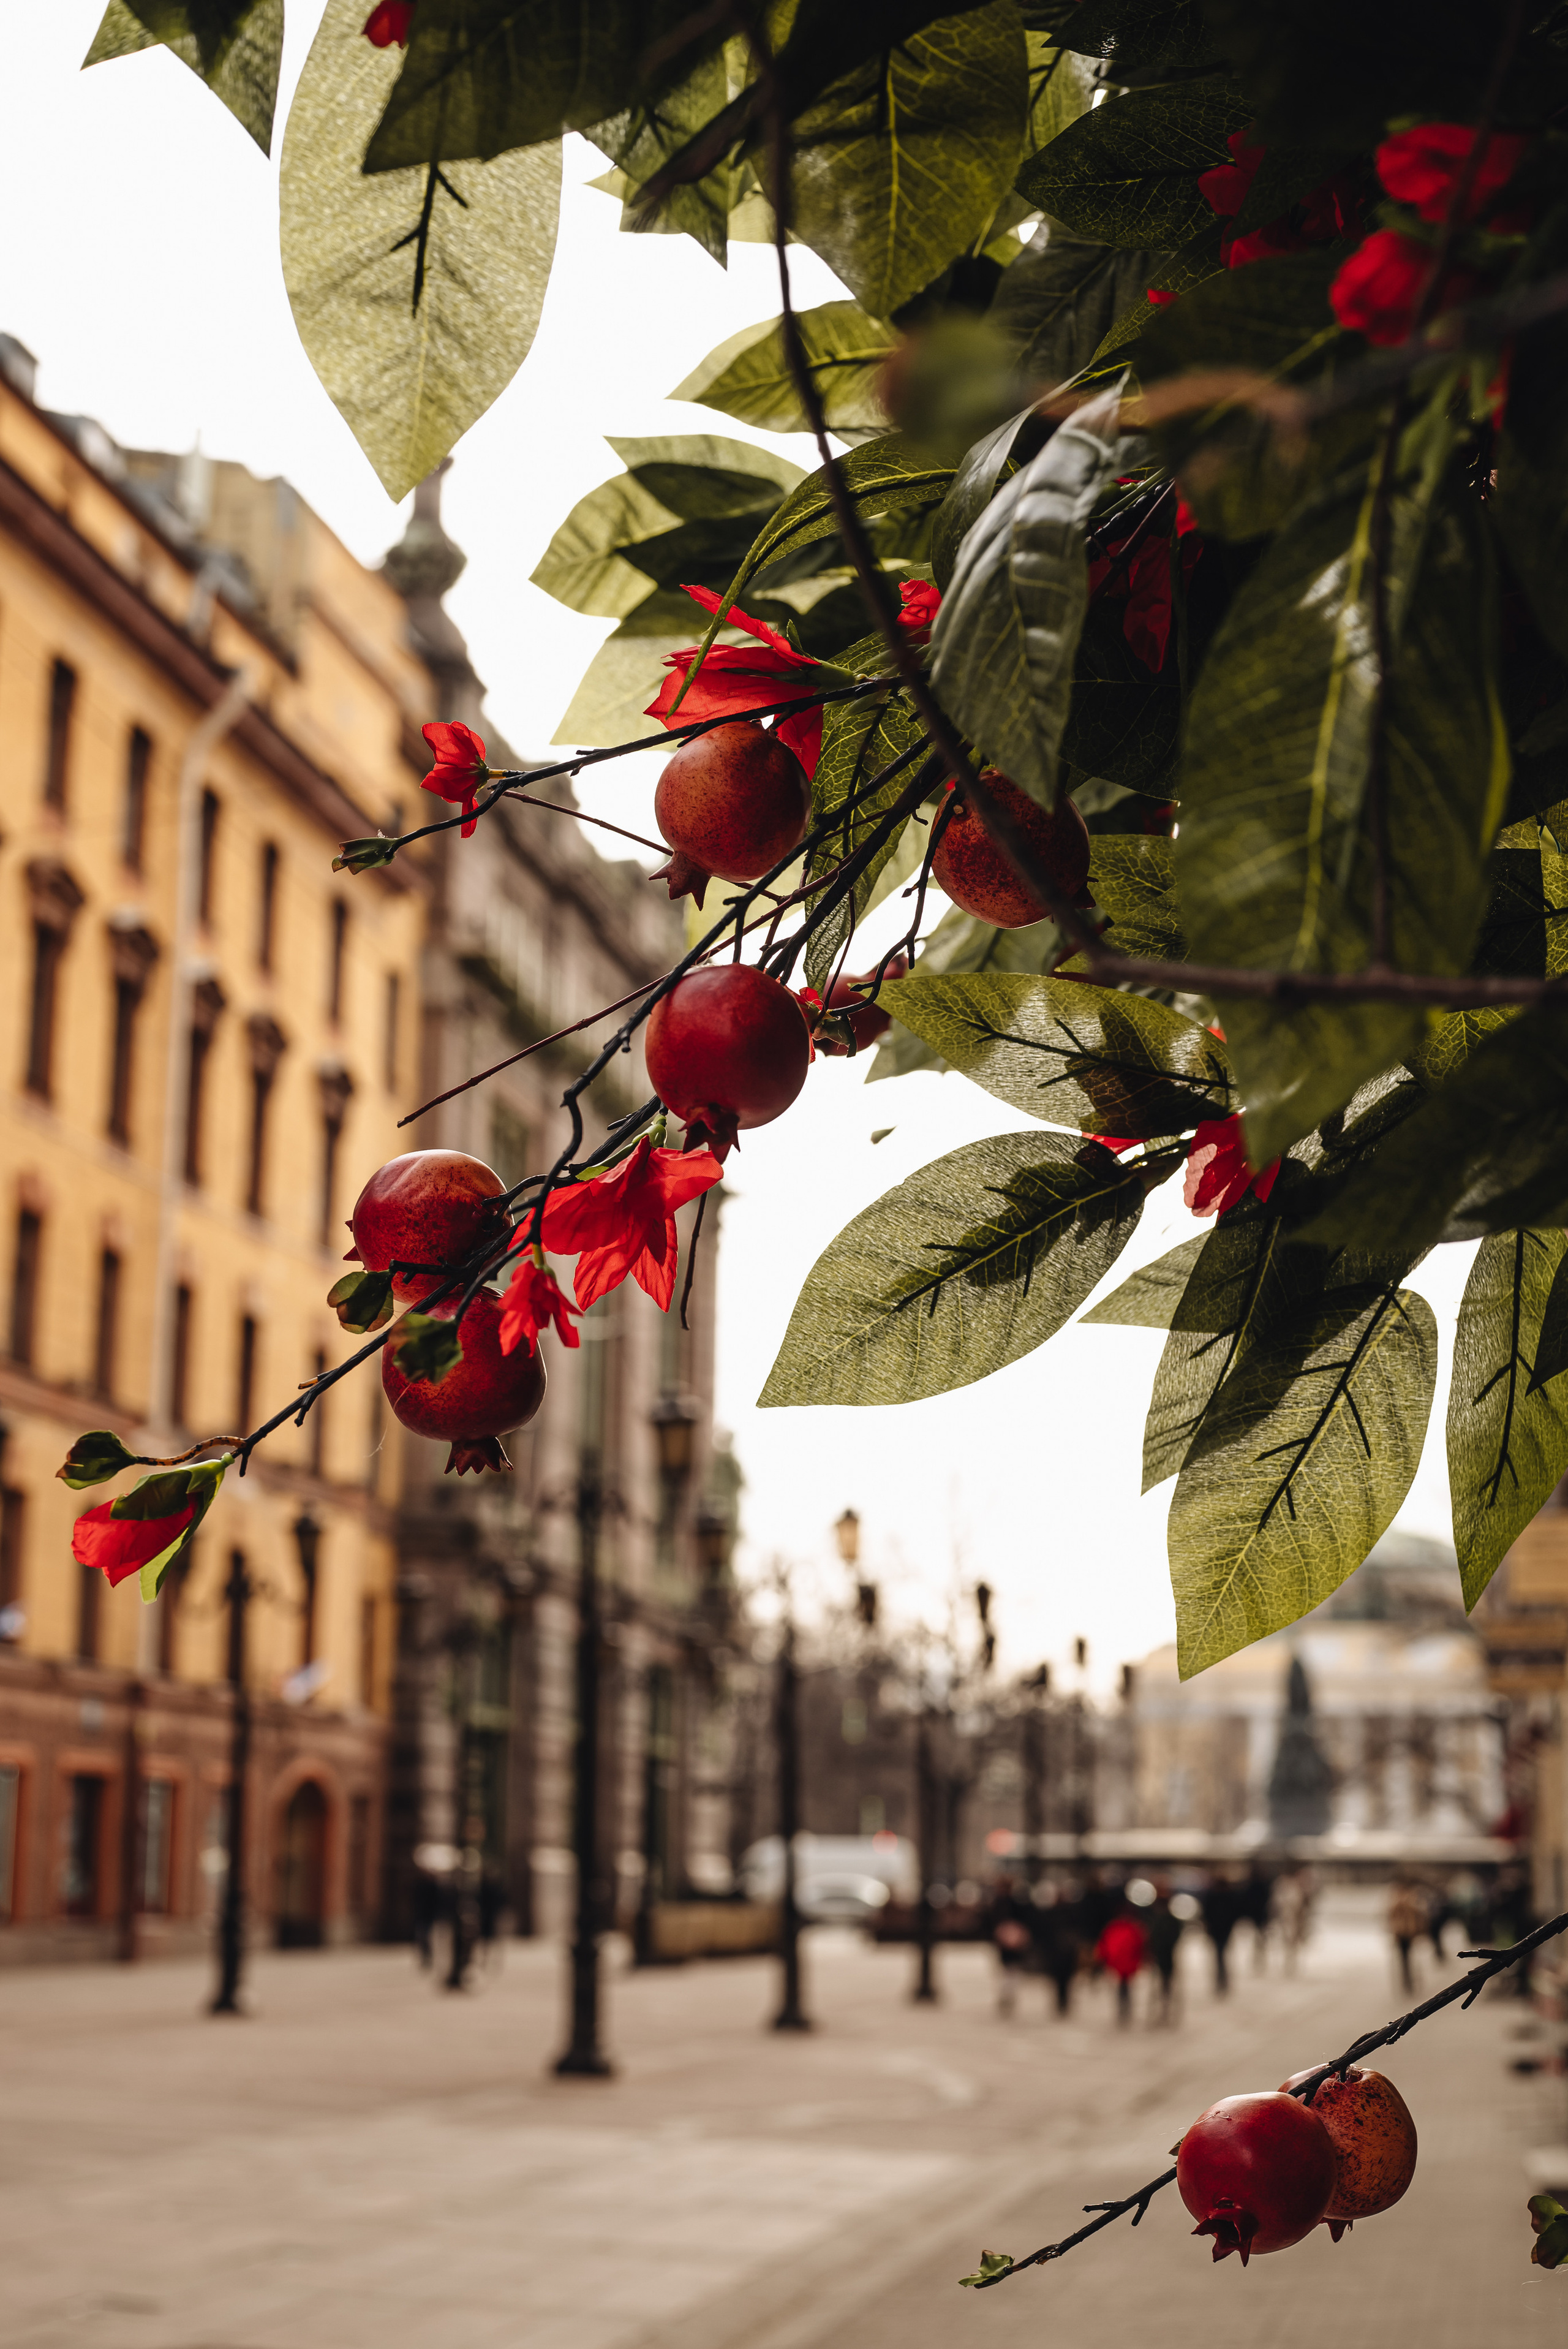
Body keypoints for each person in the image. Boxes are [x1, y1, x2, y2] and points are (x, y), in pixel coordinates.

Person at [989, 1875, 1031, 2018]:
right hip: (1009, 1943)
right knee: (1010, 1970)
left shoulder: (1002, 1903)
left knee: (1009, 1970)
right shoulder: (1012, 1903)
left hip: (1009, 1943)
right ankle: (1007, 1995)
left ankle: (1007, 1995)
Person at [1097, 1905, 1147, 2027]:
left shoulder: (1116, 1928)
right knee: (1124, 1988)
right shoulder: (1133, 1928)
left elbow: (1104, 1945)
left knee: (1123, 1988)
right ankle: (1125, 2010)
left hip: (1120, 1963)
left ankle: (1123, 2010)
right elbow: (1141, 1947)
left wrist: (1104, 1958)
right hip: (1123, 1964)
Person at [1142, 1885, 1183, 2024]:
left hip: (1165, 1956)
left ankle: (1166, 2012)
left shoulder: (1163, 1919)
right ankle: (1162, 2012)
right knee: (1162, 1986)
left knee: (1166, 1986)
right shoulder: (1159, 1919)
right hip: (1161, 1956)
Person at [1388, 1875, 1430, 1995]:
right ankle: (1407, 1982)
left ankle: (1411, 1982)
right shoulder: (1397, 1900)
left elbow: (1419, 1915)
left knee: (1409, 1959)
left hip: (1409, 1932)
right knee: (1404, 1959)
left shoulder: (1412, 1898)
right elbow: (1392, 1915)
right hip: (1401, 1932)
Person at [1201, 1874, 1240, 1996]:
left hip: (1220, 1931)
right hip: (1220, 1931)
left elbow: (1207, 1914)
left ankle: (1221, 1980)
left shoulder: (1217, 1896)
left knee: (1220, 1956)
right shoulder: (1225, 1896)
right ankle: (1222, 1980)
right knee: (1221, 1956)